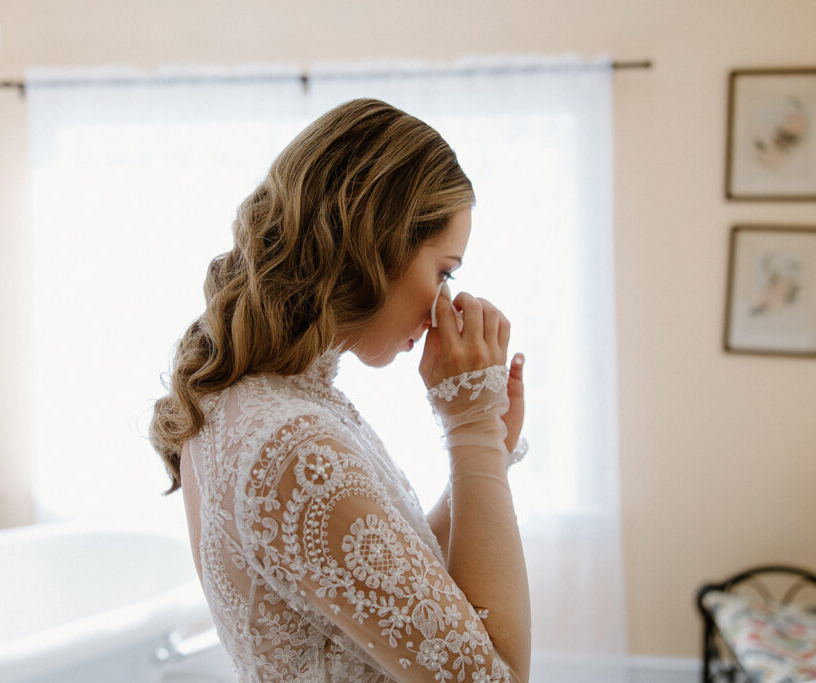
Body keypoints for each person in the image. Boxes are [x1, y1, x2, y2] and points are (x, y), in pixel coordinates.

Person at [150, 98, 531, 682]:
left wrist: (487, 459)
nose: (442, 306)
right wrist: (472, 432)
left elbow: (384, 589)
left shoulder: (261, 403)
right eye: (445, 270)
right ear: (378, 243)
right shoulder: (292, 444)